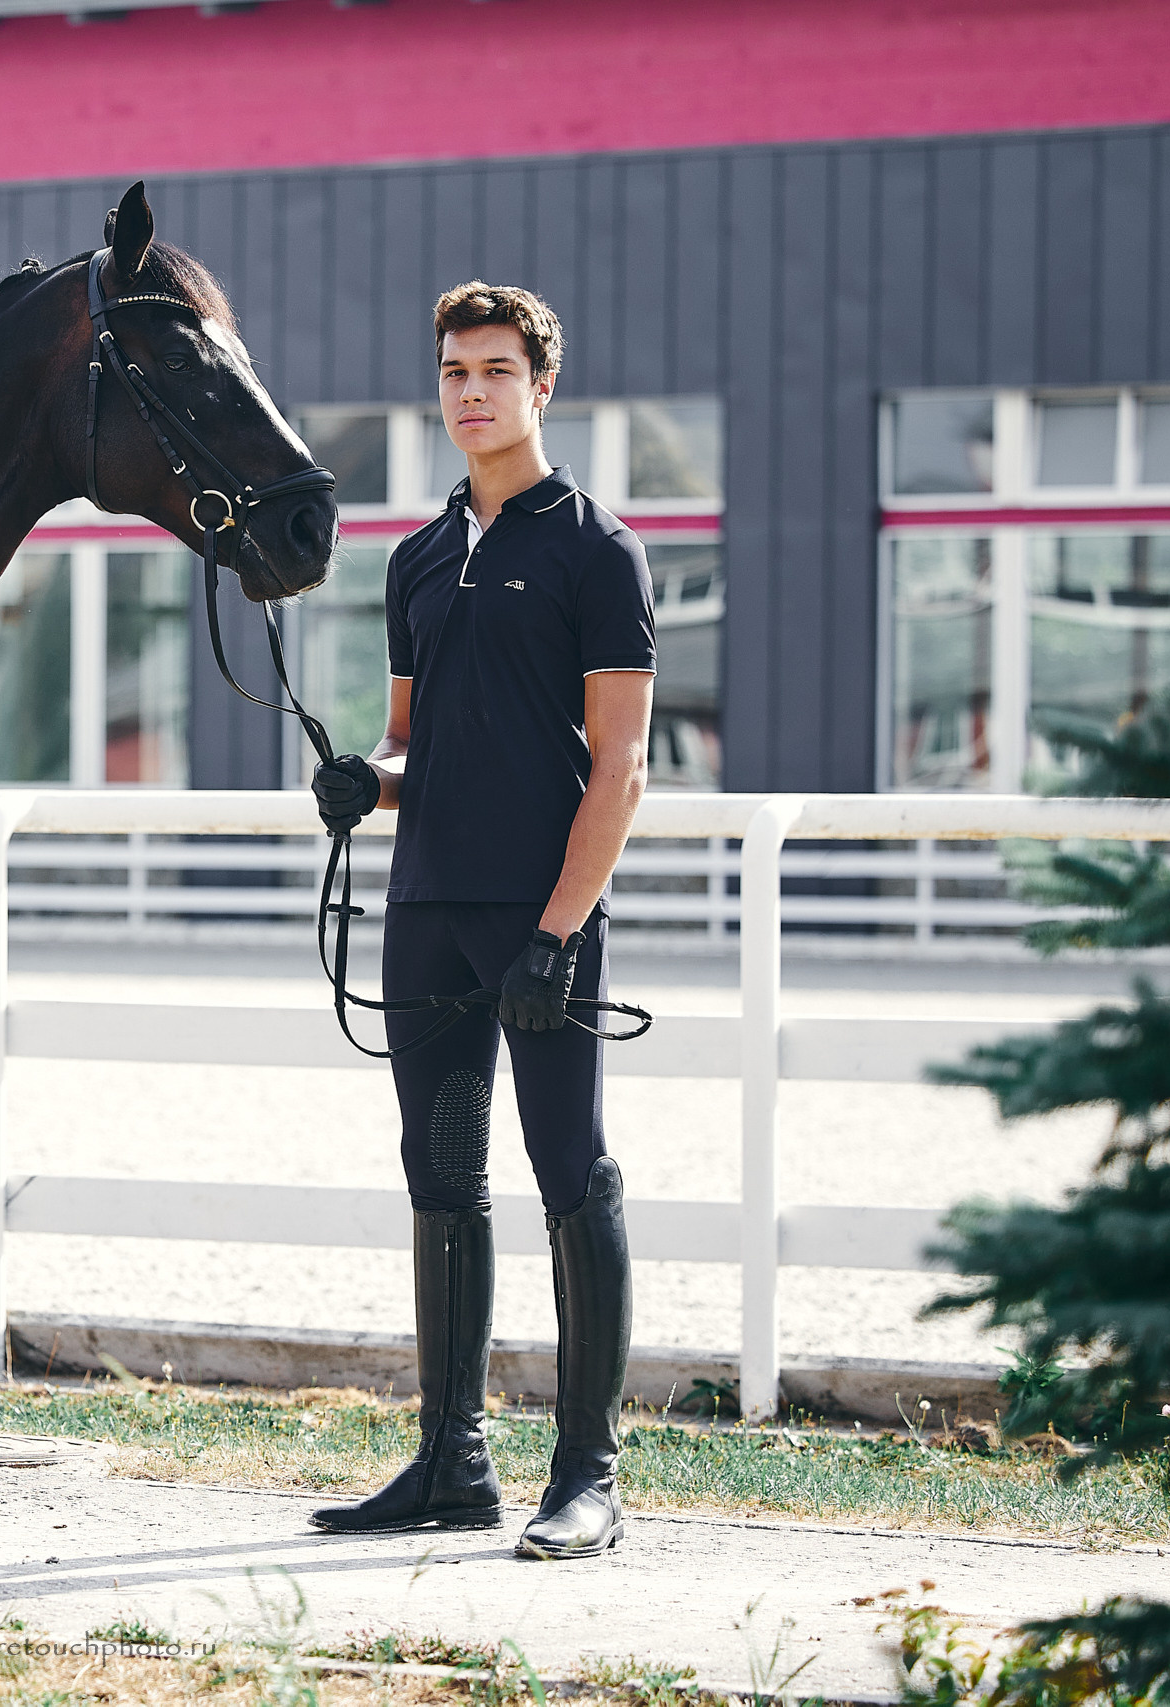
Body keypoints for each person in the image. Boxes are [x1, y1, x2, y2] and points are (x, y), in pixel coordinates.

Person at [305, 282, 654, 1560]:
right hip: (425, 913)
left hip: (538, 921)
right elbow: (410, 740)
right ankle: (452, 1463)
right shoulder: (416, 557)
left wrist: (556, 934)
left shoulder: (597, 550)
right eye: (455, 371)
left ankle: (589, 1478)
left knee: (571, 1174)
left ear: (540, 387)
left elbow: (621, 768)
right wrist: (369, 778)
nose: (472, 392)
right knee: (442, 1174)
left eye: (496, 370)